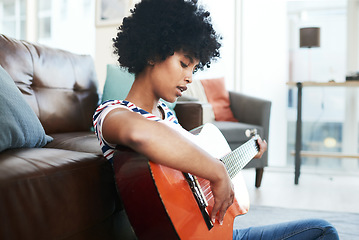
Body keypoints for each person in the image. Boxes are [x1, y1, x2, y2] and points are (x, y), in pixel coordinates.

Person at [93, 0, 339, 239]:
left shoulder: (169, 117)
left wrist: (245, 153)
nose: (190, 78)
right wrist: (218, 171)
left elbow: (190, 177)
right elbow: (142, 133)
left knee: (323, 230)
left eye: (194, 69)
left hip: (219, 234)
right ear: (152, 53)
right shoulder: (111, 113)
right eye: (184, 63)